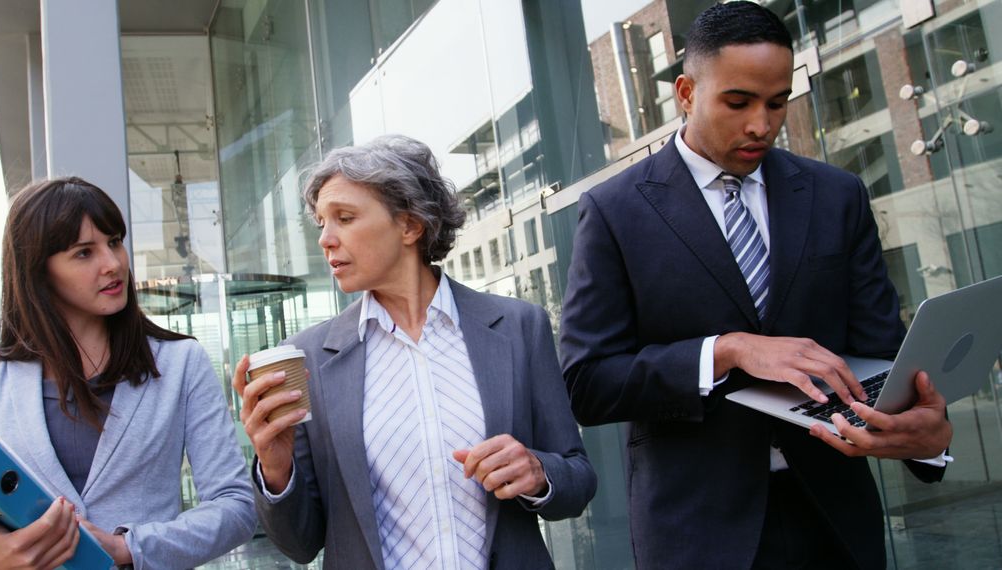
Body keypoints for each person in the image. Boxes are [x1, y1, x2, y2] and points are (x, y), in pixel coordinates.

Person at [558, 3, 952, 569]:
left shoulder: (836, 195)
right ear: (687, 93)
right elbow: (589, 383)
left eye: (777, 102)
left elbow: (882, 353)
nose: (761, 125)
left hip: (836, 523)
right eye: (738, 102)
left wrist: (927, 438)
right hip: (698, 534)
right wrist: (729, 350)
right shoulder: (615, 211)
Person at [233, 134, 596, 569]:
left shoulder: (519, 327)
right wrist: (275, 468)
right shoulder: (308, 358)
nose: (325, 240)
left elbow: (578, 479)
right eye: (321, 223)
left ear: (410, 225)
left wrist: (538, 473)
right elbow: (300, 544)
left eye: (344, 218)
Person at [0, 177, 256, 569]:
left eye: (114, 241)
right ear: (38, 271)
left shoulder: (181, 362)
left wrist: (128, 547)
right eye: (84, 253)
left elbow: (236, 507)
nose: (113, 263)